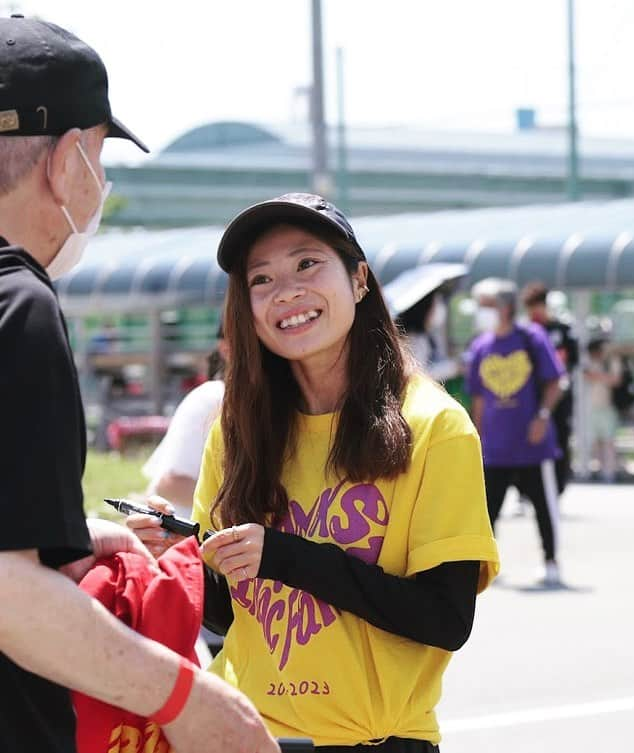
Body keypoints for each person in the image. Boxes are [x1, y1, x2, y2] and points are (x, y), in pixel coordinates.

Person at [130, 192, 499, 750]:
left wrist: (283, 556)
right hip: (244, 735)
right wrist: (175, 552)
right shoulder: (235, 432)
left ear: (359, 280)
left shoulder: (434, 427)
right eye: (262, 280)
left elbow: (445, 618)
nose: (288, 292)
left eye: (307, 264)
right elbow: (228, 615)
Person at [0, 15, 277, 753]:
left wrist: (71, 534)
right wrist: (191, 699)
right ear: (66, 161)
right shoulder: (18, 305)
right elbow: (9, 594)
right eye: (96, 153)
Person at [466, 277, 564, 585]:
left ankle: (550, 561)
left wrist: (543, 416)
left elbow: (555, 382)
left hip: (531, 443)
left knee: (543, 507)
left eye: (487, 306)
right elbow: (478, 398)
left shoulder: (532, 338)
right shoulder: (480, 346)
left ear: (506, 308)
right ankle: (485, 566)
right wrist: (476, 439)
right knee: (487, 510)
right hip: (495, 447)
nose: (482, 312)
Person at [143, 322, 228, 518]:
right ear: (226, 348)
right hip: (185, 540)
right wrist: (248, 510)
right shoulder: (213, 397)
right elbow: (170, 483)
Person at [521, 281, 579, 493]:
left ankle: (557, 489)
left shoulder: (562, 330)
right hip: (532, 399)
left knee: (561, 441)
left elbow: (570, 363)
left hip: (559, 398)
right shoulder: (525, 334)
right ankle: (526, 491)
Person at [582, 336, 622, 483]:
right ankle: (598, 470)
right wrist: (602, 377)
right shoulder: (589, 363)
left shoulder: (611, 362)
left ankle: (609, 472)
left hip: (608, 407)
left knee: (609, 440)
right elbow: (586, 376)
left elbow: (616, 380)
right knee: (596, 441)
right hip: (591, 408)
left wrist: (596, 376)